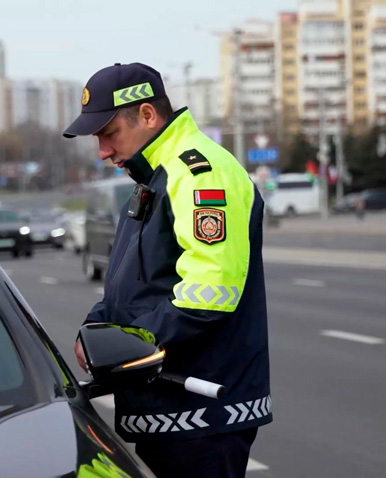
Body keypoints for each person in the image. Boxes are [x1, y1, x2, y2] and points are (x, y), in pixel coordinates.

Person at [63, 62, 271, 478]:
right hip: (167, 407)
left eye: (108, 134)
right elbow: (134, 281)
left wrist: (126, 344)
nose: (103, 151)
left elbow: (209, 293)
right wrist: (97, 329)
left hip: (201, 411)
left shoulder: (199, 174)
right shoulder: (154, 175)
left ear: (146, 115)